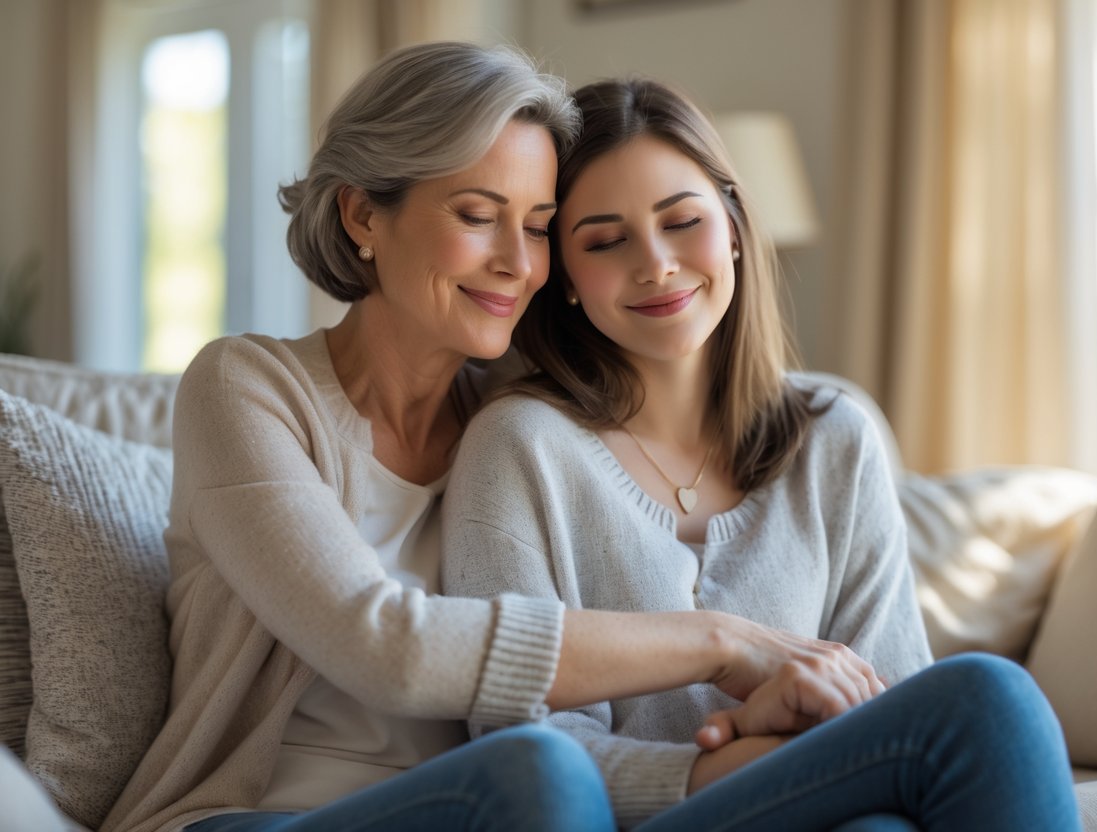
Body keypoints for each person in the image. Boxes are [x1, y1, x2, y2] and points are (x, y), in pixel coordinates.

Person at [98, 45, 870, 832]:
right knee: (536, 773)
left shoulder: (523, 424)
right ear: (363, 215)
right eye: (476, 217)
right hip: (259, 815)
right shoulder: (246, 388)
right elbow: (382, 646)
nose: (516, 263)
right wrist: (719, 644)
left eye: (538, 229)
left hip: (487, 808)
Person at [442, 77, 1083, 831]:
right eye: (606, 240)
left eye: (682, 222)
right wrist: (728, 755)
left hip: (824, 808)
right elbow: (522, 749)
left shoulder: (835, 435)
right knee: (986, 694)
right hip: (631, 820)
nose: (655, 264)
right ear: (569, 279)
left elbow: (887, 694)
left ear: (737, 229)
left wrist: (785, 734)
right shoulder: (519, 446)